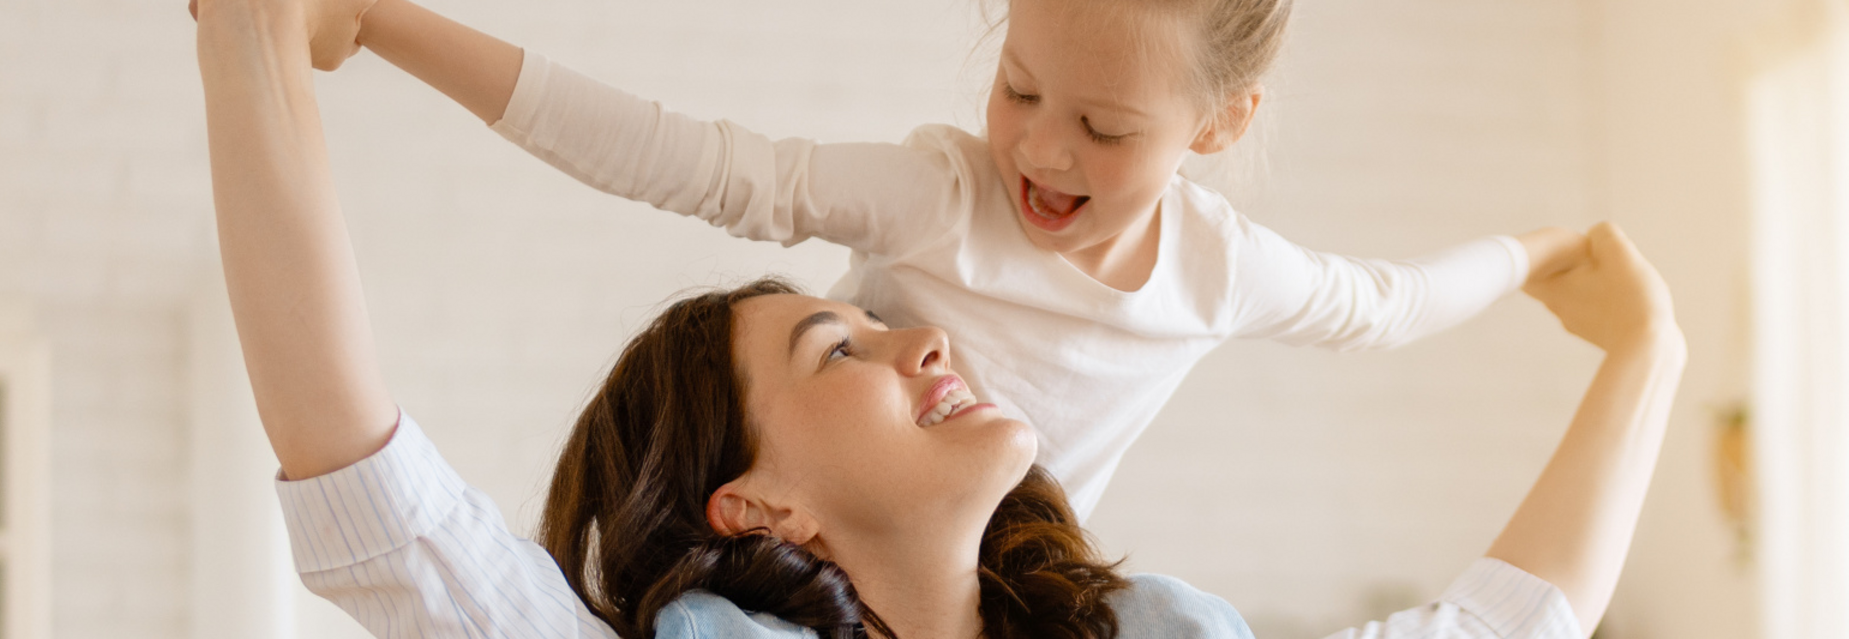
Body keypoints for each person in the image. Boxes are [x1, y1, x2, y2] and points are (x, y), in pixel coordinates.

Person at [195, 0, 1685, 637]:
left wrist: (1637, 343)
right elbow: (378, 503)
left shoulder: (1221, 283)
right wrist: (288, 27)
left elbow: (1489, 608)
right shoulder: (933, 199)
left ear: (1215, 129)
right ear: (760, 500)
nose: (927, 336)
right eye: (837, 342)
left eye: (1101, 125)